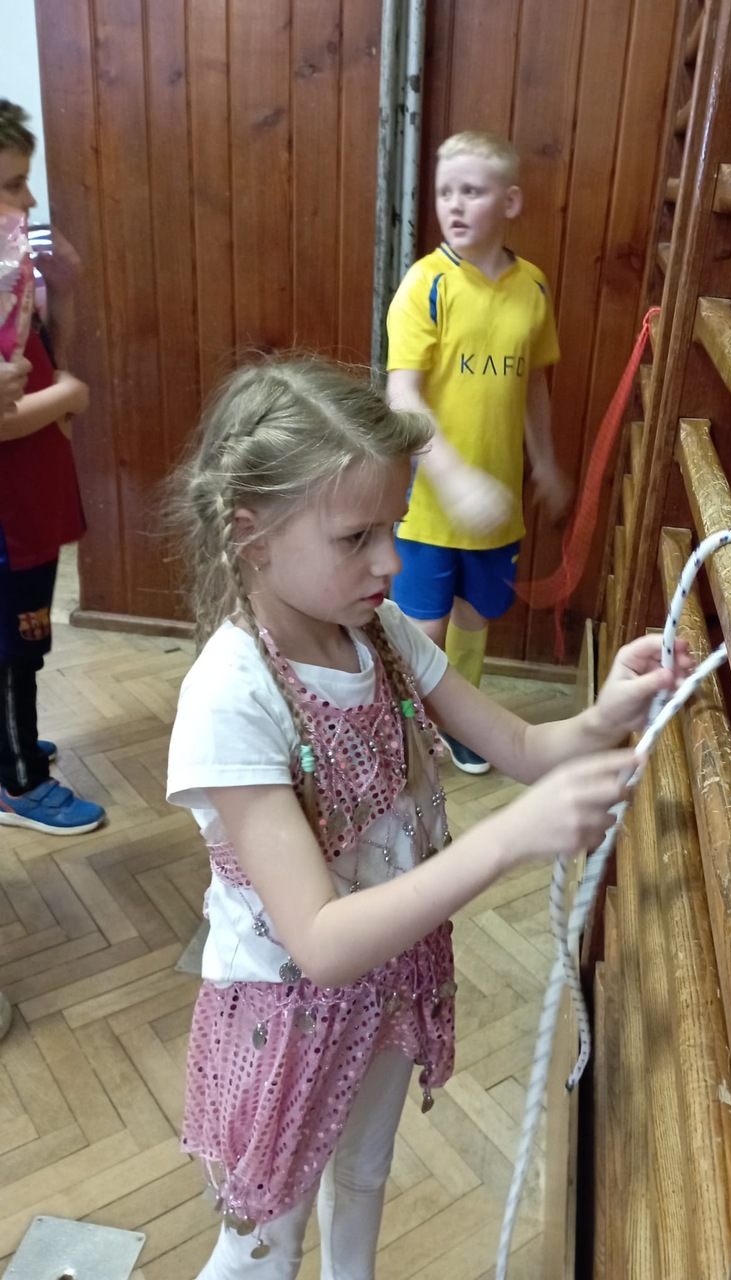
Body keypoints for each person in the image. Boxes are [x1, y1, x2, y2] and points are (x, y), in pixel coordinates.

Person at [165, 355, 689, 1279]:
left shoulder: (381, 633)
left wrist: (609, 711)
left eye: (395, 526)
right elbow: (321, 942)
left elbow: (521, 746)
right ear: (252, 537)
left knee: (363, 1175)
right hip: (286, 1020)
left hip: (390, 980)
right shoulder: (230, 698)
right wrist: (506, 840)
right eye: (357, 537)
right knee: (262, 1247)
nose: (392, 562)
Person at [386, 130, 572, 775]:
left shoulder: (533, 288)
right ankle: (404, 732)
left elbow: (533, 384)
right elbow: (402, 395)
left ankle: (461, 723)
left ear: (510, 201)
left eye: (472, 190)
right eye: (445, 192)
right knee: (422, 628)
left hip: (497, 506)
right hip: (428, 506)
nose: (455, 205)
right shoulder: (426, 285)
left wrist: (545, 462)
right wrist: (454, 477)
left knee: (472, 618)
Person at [0, 100, 105, 836]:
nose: (29, 200)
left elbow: (35, 355)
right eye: (12, 185)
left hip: (30, 501)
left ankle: (12, 743)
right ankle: (18, 782)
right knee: (15, 645)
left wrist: (61, 290)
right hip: (8, 518)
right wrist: (69, 395)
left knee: (22, 637)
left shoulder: (9, 278)